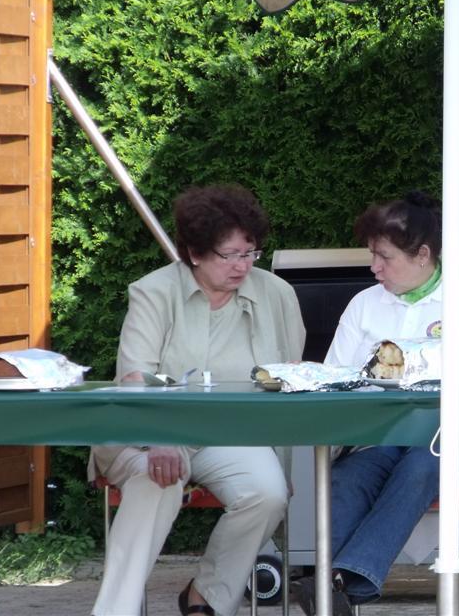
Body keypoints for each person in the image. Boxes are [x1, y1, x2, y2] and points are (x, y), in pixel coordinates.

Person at [291, 190, 459, 616]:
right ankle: (334, 587)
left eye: (384, 257)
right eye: (372, 255)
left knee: (422, 466)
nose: (374, 267)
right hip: (380, 438)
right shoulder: (363, 305)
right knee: (347, 478)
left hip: (457, 440)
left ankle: (336, 583)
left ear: (423, 255)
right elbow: (336, 379)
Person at [89, 184, 306, 616]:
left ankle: (206, 596)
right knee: (158, 478)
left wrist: (283, 458)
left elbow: (291, 377)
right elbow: (134, 377)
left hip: (228, 432)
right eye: (229, 255)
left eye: (250, 253)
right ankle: (114, 610)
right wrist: (158, 438)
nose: (242, 265)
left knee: (267, 493)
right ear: (194, 253)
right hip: (148, 430)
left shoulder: (277, 294)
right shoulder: (153, 292)